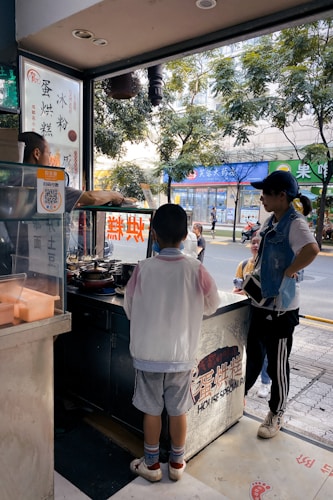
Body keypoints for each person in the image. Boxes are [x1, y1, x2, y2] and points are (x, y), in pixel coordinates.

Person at [123, 203, 219, 482]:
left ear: (154, 235)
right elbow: (212, 304)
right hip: (180, 356)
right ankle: (177, 464)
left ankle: (151, 465)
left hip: (147, 355)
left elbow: (129, 307)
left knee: (151, 410)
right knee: (179, 409)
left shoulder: (143, 269)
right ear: (186, 235)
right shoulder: (195, 269)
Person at [245, 170, 319, 439]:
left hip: (281, 308)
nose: (261, 197)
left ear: (281, 196)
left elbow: (311, 250)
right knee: (254, 356)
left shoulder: (295, 223)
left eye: (265, 192)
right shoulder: (271, 220)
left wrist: (289, 271)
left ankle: (276, 413)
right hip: (261, 301)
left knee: (277, 363)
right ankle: (237, 398)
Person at [18, 132, 132, 212]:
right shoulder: (40, 181)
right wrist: (114, 195)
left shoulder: (17, 178)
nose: (50, 158)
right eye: (48, 153)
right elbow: (92, 198)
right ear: (37, 154)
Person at [232, 233, 271, 398]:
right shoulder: (243, 264)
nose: (255, 245)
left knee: (264, 352)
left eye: (258, 243)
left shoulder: (268, 266)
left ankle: (265, 382)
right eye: (253, 242)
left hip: (263, 314)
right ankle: (244, 383)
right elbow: (236, 287)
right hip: (246, 312)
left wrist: (247, 290)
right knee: (250, 350)